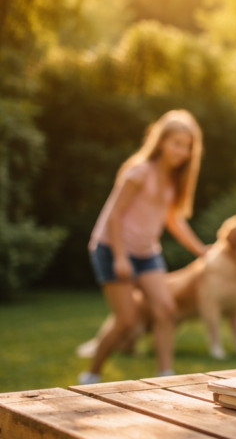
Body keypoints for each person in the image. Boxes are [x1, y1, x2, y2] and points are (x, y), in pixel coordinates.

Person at [79, 110, 207, 384]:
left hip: (147, 252)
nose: (182, 151)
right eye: (177, 143)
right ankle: (91, 373)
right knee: (126, 320)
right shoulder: (139, 172)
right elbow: (114, 215)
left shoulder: (174, 182)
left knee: (166, 310)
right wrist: (120, 258)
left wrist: (201, 250)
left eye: (187, 147)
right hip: (111, 248)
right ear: (161, 142)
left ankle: (165, 375)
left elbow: (173, 222)